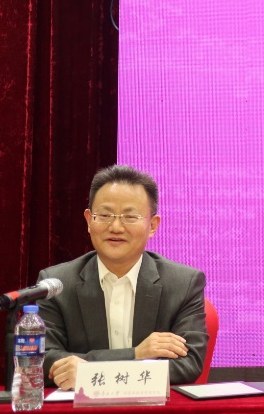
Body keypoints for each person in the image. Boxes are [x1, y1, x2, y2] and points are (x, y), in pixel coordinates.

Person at [38, 165, 208, 388]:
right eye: (105, 215)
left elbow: (188, 366)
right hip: (80, 408)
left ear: (152, 225)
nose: (116, 227)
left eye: (130, 216)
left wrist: (89, 371)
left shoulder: (183, 283)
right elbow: (43, 360)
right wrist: (136, 354)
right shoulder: (57, 284)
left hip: (151, 408)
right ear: (89, 220)